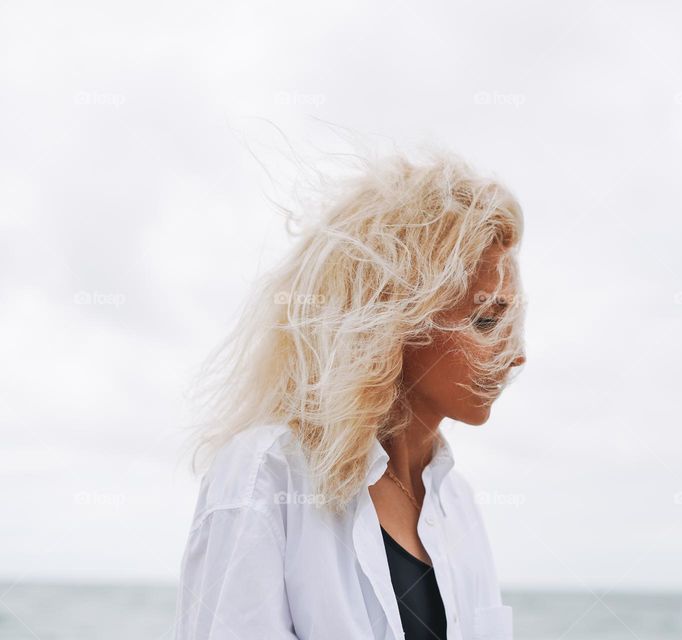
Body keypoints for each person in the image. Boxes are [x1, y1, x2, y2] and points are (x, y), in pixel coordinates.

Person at [174, 147, 527, 640]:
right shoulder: (268, 474)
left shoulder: (455, 500)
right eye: (486, 319)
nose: (516, 354)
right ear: (391, 317)